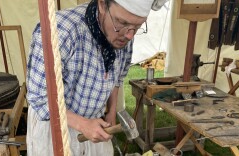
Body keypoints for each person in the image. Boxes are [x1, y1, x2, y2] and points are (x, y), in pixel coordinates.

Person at [26, 0, 164, 155]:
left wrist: (111, 111)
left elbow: (117, 76)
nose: (129, 35)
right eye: (122, 22)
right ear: (102, 5)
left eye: (137, 26)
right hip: (55, 128)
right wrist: (83, 124)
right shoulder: (60, 31)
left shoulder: (125, 34)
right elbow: (39, 98)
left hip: (95, 124)